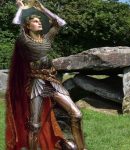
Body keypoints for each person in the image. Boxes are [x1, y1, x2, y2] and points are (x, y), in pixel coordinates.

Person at [5, 0, 86, 149]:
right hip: (37, 83)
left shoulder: (46, 39)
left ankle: (82, 148)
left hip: (52, 81)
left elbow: (60, 23)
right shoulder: (24, 40)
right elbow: (16, 22)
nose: (39, 22)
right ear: (28, 26)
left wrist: (43, 8)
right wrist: (21, 9)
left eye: (39, 21)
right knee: (34, 126)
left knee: (77, 115)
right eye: (35, 21)